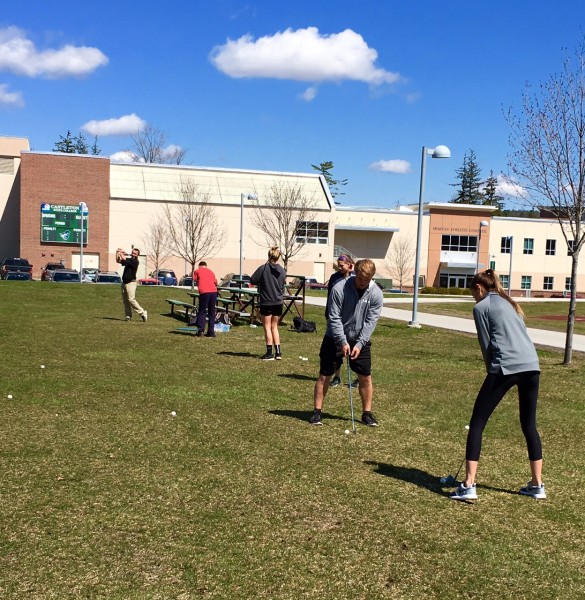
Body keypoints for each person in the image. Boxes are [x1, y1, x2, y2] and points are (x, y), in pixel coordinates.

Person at [451, 269, 545, 501]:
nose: (474, 297)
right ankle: (537, 485)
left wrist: (490, 371)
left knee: (477, 422)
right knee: (528, 425)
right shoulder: (509, 303)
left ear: (479, 289)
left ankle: (469, 485)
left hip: (506, 367)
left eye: (473, 293)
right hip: (532, 366)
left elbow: (486, 345)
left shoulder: (481, 307)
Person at [310, 258, 384, 427]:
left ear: (372, 277)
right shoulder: (339, 288)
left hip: (359, 339)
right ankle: (317, 412)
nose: (363, 283)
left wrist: (359, 344)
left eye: (367, 280)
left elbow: (371, 322)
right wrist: (342, 341)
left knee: (365, 377)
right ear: (354, 273)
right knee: (325, 375)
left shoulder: (376, 294)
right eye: (360, 279)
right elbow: (333, 318)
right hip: (334, 337)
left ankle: (367, 413)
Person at [250, 247, 286, 361]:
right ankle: (278, 352)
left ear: (269, 256)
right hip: (278, 301)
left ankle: (269, 353)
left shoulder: (263, 268)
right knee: (274, 327)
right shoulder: (282, 270)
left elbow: (253, 280)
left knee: (267, 327)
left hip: (266, 301)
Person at [325, 255, 355, 388]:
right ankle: (337, 376)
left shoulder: (355, 278)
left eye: (342, 265)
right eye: (338, 265)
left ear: (350, 264)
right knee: (337, 348)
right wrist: (328, 314)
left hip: (350, 319)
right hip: (335, 318)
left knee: (352, 347)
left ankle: (357, 376)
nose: (340, 267)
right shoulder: (334, 278)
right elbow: (330, 298)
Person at [116, 247, 147, 322]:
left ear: (137, 255)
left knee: (131, 299)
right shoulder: (129, 260)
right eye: (132, 253)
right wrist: (117, 252)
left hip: (131, 283)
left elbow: (123, 257)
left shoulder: (135, 261)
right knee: (126, 301)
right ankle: (128, 316)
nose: (133, 254)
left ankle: (142, 312)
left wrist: (121, 252)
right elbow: (118, 260)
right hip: (124, 283)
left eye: (135, 254)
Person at [193, 261, 218, 337]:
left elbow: (194, 280)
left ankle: (200, 331)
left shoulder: (197, 271)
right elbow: (215, 282)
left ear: (199, 266)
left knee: (202, 311)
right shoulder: (211, 271)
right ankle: (211, 332)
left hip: (204, 292)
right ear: (206, 266)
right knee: (211, 312)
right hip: (213, 292)